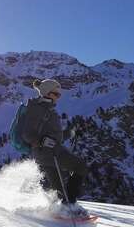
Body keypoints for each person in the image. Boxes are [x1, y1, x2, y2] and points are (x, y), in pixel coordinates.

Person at [22, 79, 89, 216]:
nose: (59, 97)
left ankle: (59, 211)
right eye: (56, 94)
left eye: (59, 94)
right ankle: (69, 205)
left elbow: (55, 137)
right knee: (80, 166)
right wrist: (42, 141)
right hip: (48, 153)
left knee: (59, 189)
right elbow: (27, 134)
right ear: (47, 93)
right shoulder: (37, 109)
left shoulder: (47, 109)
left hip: (47, 153)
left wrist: (72, 132)